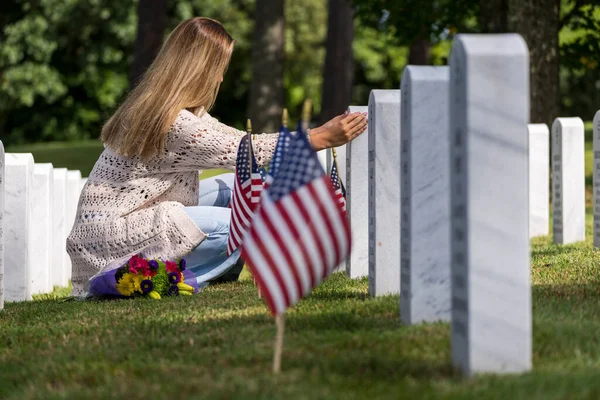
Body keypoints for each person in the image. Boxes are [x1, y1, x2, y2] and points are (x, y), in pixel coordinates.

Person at [66, 17, 367, 297]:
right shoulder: (174, 124)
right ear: (200, 70)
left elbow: (242, 145)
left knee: (241, 187)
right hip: (107, 244)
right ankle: (174, 279)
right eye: (219, 68)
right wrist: (321, 137)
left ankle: (214, 271)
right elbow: (248, 151)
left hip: (132, 219)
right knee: (245, 224)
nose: (221, 78)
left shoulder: (176, 112)